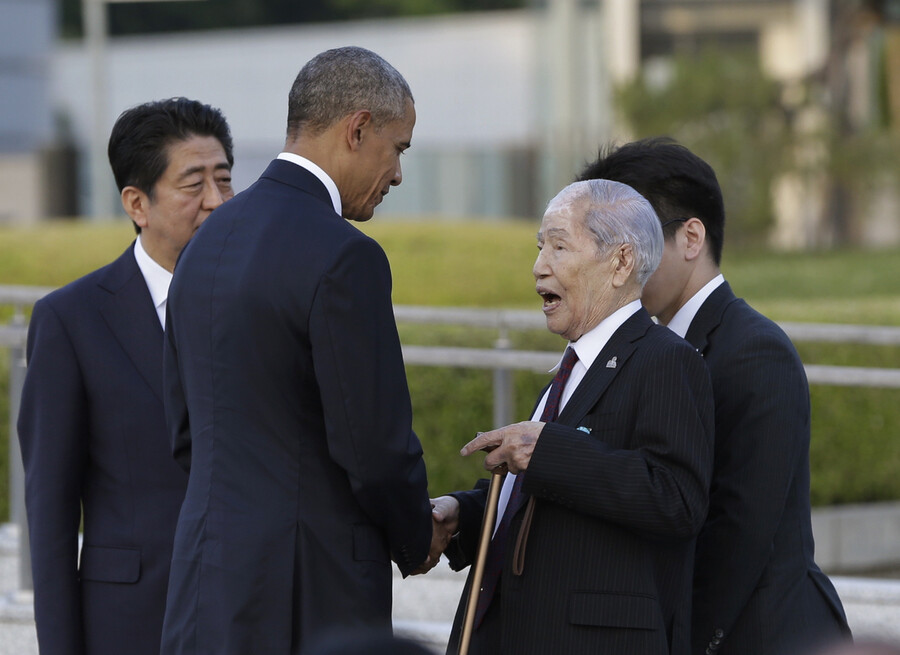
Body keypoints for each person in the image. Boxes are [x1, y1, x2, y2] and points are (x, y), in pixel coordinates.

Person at [160, 46, 438, 655]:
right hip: (312, 594)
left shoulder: (202, 246)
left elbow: (185, 432)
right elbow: (373, 449)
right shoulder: (346, 255)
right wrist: (419, 535)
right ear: (358, 129)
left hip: (205, 585)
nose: (397, 175)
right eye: (399, 148)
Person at [578, 137, 853, 655]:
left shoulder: (753, 350)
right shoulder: (640, 348)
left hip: (760, 635)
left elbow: (740, 532)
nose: (618, 263)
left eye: (633, 242)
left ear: (691, 237)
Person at [431, 179, 715, 654]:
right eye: (541, 247)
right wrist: (465, 512)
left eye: (559, 247)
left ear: (621, 262)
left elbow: (677, 498)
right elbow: (545, 504)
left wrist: (547, 449)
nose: (539, 267)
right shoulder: (572, 367)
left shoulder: (666, 359)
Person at [16, 97, 234, 655]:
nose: (216, 202)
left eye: (225, 180)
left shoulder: (260, 305)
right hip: (131, 622)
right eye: (194, 185)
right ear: (137, 203)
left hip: (247, 615)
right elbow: (52, 514)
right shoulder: (72, 319)